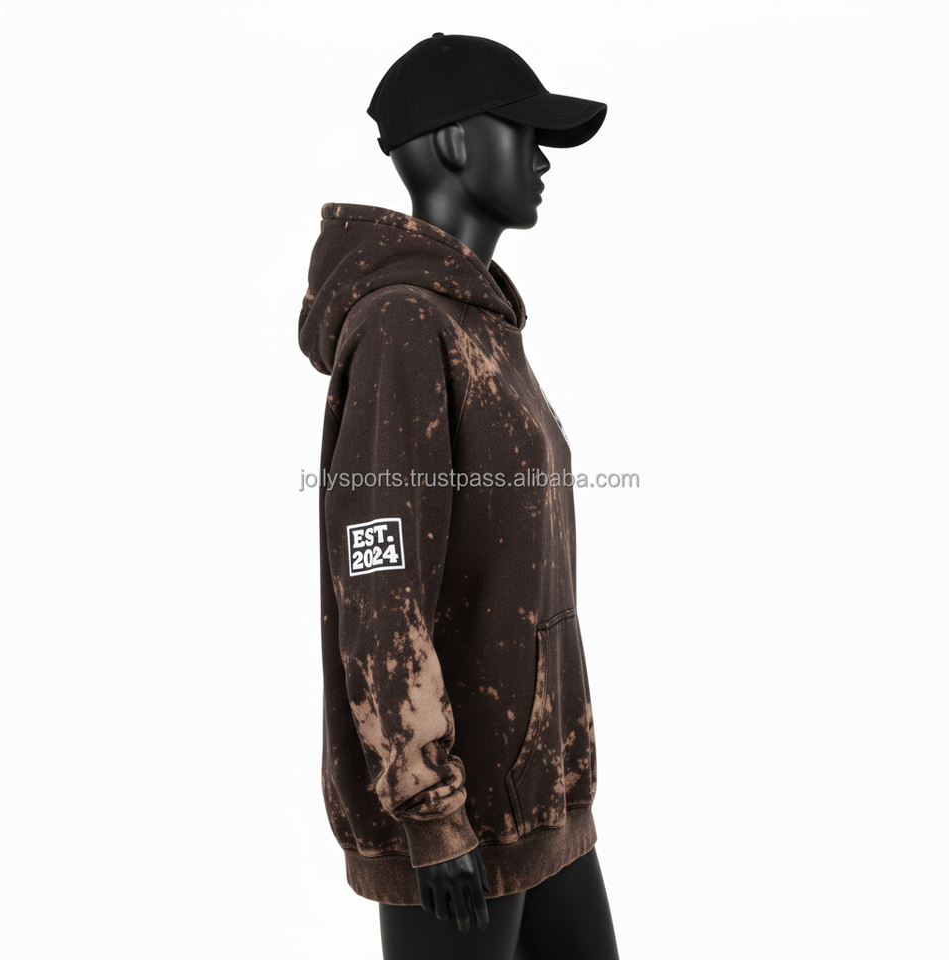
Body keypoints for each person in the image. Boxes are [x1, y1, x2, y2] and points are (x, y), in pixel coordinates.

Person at [298, 33, 620, 960]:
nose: (544, 159)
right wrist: (431, 815)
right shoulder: (404, 325)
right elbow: (380, 585)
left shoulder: (478, 324)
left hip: (539, 797)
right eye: (526, 133)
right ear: (451, 142)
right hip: (460, 823)